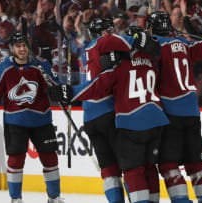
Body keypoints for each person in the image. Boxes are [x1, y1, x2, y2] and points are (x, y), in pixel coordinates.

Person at [48, 25, 168, 203]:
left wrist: (70, 92)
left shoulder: (107, 56)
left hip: (115, 119)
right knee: (148, 168)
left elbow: (100, 84)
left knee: (121, 170)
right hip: (155, 120)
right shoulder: (153, 61)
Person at [0, 32, 65, 203]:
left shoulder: (40, 65)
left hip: (41, 119)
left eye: (24, 45)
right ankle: (16, 198)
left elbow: (57, 85)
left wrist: (58, 90)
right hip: (15, 121)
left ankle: (54, 197)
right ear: (12, 49)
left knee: (50, 158)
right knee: (16, 159)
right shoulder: (3, 67)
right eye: (18, 46)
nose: (22, 49)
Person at [49, 18, 126, 203]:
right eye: (110, 30)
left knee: (108, 170)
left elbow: (77, 45)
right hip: (109, 113)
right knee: (127, 167)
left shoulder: (85, 50)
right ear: (105, 32)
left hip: (90, 118)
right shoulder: (105, 47)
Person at [147, 11, 202, 203]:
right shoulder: (185, 44)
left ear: (152, 29)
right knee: (196, 165)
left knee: (169, 165)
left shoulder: (155, 45)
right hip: (192, 112)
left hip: (171, 114)